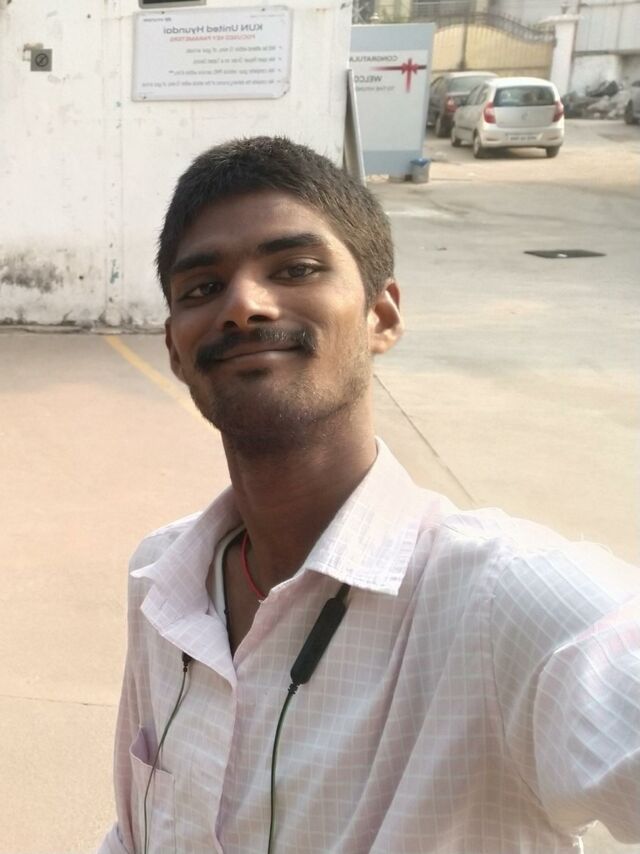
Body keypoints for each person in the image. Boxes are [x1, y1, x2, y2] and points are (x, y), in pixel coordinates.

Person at [99, 136, 640, 854]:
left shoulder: (505, 604)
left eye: (296, 268)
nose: (243, 305)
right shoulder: (162, 581)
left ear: (381, 316)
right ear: (175, 348)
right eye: (202, 288)